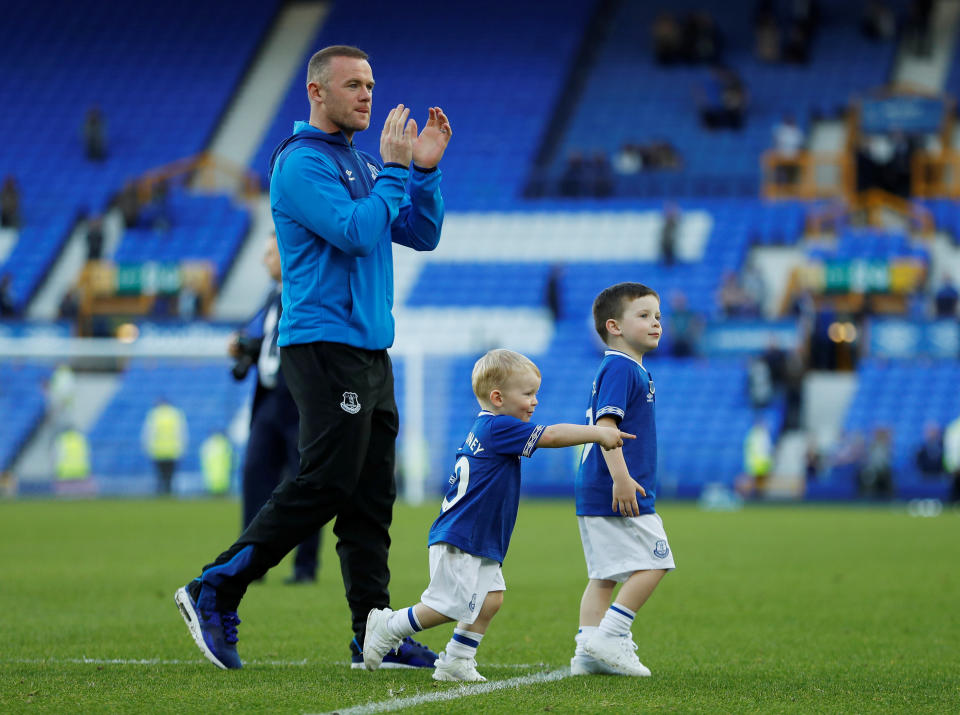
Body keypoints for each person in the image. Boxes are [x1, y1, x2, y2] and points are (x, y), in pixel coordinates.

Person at [174, 44, 452, 671]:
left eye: (372, 84)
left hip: (369, 350)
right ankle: (215, 586)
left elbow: (421, 233)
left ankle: (371, 634)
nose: (367, 95)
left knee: (369, 498)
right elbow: (356, 232)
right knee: (325, 480)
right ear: (316, 92)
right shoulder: (301, 164)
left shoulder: (358, 160)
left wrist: (424, 172)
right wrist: (396, 171)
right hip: (323, 344)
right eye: (353, 84)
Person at [361, 349, 633, 681]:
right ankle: (387, 626)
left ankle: (457, 659)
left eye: (536, 393)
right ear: (497, 397)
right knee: (448, 605)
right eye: (528, 394)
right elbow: (551, 435)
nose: (535, 402)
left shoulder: (494, 427)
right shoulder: (498, 427)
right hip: (463, 537)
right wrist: (598, 432)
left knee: (490, 600)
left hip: (480, 537)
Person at [571, 282, 675, 678]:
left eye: (658, 316)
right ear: (614, 326)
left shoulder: (630, 368)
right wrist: (623, 480)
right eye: (644, 316)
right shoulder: (619, 366)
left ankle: (586, 653)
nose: (656, 323)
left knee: (604, 575)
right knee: (657, 561)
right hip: (616, 487)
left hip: (600, 488)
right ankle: (610, 636)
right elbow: (605, 427)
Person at [230, 233, 321, 585]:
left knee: (305, 484)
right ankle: (251, 563)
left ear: (287, 254)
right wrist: (242, 348)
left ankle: (305, 567)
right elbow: (266, 345)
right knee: (254, 475)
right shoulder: (271, 298)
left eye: (270, 253)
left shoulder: (306, 295)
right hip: (267, 402)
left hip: (298, 405)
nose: (264, 260)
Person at [142, 397, 187, 495]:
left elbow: (148, 433)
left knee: (160, 475)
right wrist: (181, 448)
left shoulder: (154, 414)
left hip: (158, 451)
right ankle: (169, 492)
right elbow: (181, 433)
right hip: (173, 451)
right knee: (170, 476)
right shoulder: (175, 414)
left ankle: (160, 493)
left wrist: (148, 448)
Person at [200, 430, 234, 496]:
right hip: (223, 470)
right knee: (222, 484)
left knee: (215, 484)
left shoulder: (208, 443)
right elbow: (231, 456)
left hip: (214, 471)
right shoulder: (224, 443)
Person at [943, 413, 960, 504]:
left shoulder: (953, 428)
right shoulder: (954, 428)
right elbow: (951, 450)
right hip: (956, 468)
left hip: (955, 467)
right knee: (955, 490)